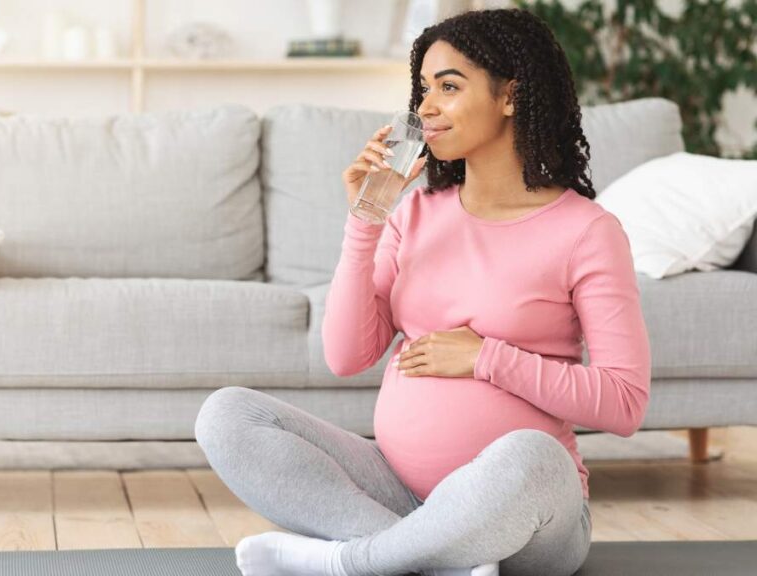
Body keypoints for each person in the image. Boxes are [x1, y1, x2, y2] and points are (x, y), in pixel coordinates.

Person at [194, 7, 651, 576]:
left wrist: (487, 358)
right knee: (227, 415)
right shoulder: (414, 213)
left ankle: (356, 561)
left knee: (532, 454)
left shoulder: (586, 231)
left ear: (511, 95)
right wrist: (367, 219)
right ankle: (439, 558)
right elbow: (345, 357)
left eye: (449, 87)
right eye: (423, 90)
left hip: (527, 514)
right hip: (398, 490)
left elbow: (625, 403)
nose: (425, 108)